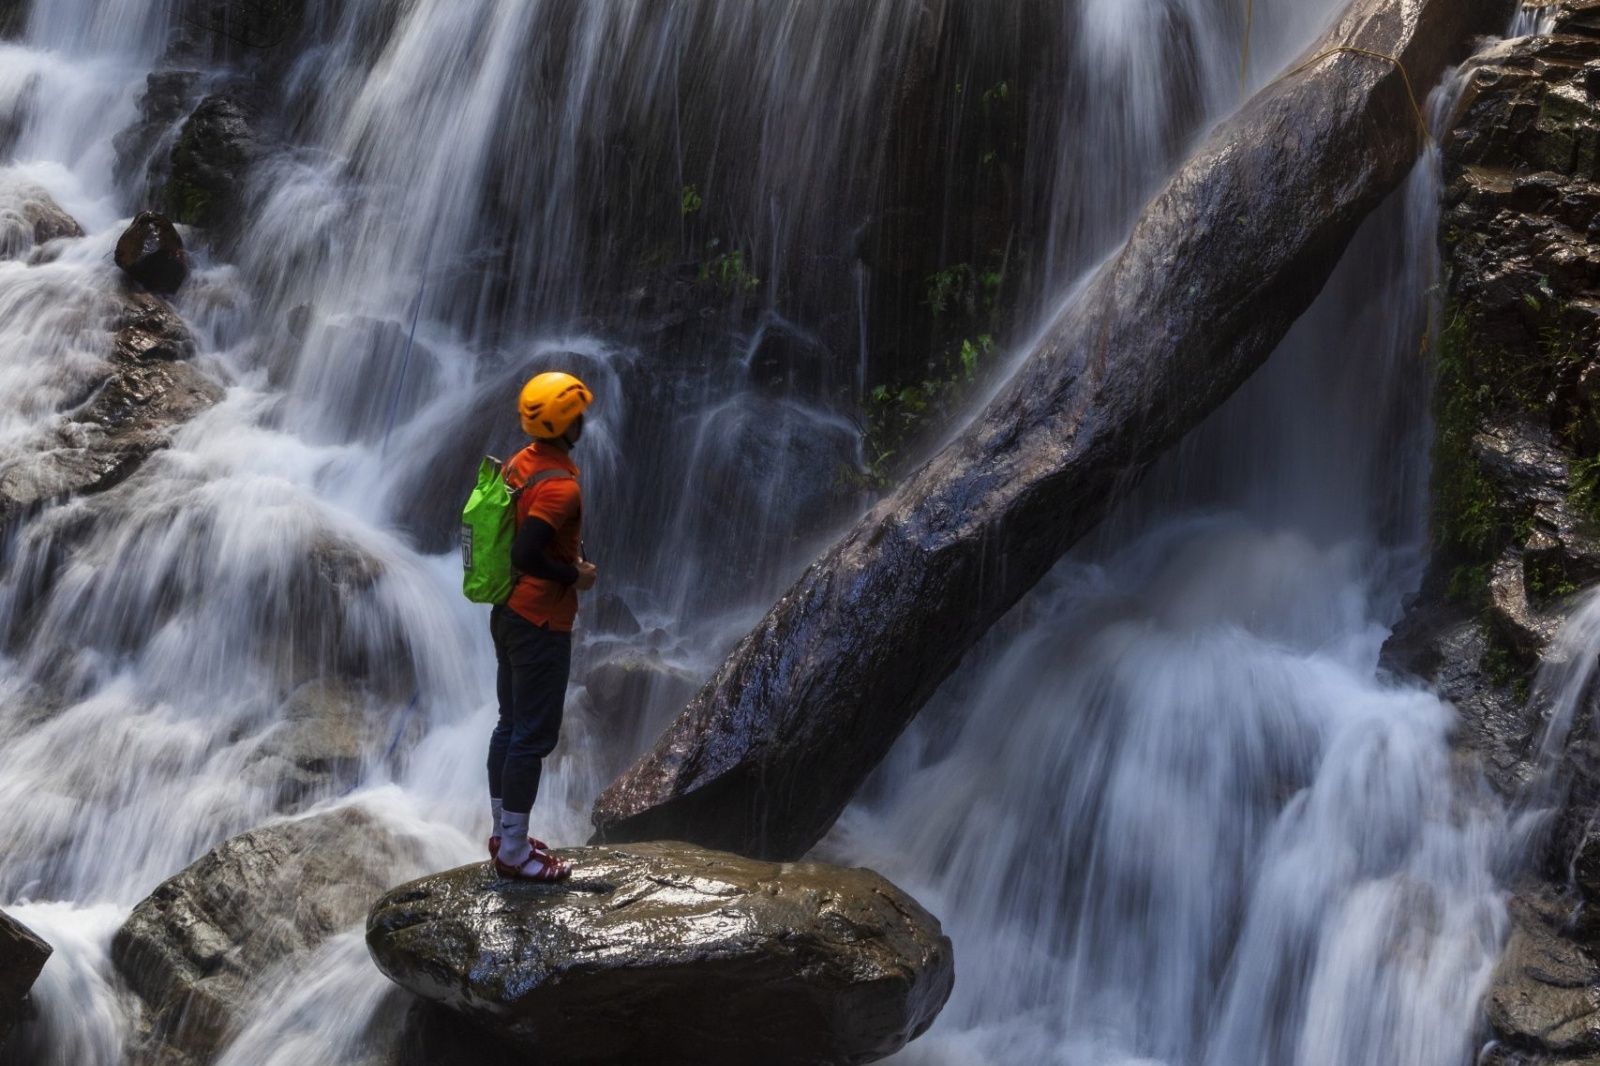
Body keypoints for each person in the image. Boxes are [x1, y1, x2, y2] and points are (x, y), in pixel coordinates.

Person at [486, 371, 597, 882]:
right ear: (563, 423)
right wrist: (575, 575)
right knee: (532, 737)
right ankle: (514, 853)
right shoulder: (561, 489)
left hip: (507, 612)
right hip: (539, 623)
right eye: (577, 414)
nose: (584, 421)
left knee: (509, 727)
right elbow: (527, 552)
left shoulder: (521, 464)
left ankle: (503, 831)